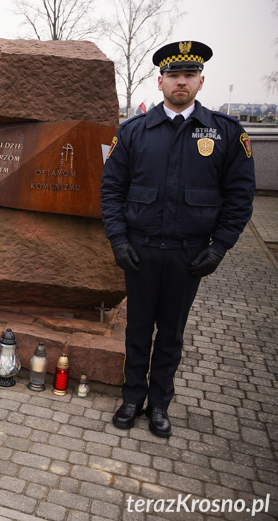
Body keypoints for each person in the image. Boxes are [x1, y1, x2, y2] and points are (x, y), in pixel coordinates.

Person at [101, 41, 255, 437]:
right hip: (141, 251)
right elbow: (112, 190)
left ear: (201, 81)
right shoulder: (134, 132)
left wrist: (219, 246)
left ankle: (159, 404)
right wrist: (118, 240)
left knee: (171, 333)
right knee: (137, 329)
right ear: (160, 82)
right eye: (173, 75)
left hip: (189, 255)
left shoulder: (223, 133)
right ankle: (131, 397)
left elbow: (240, 197)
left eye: (188, 75)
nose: (180, 82)